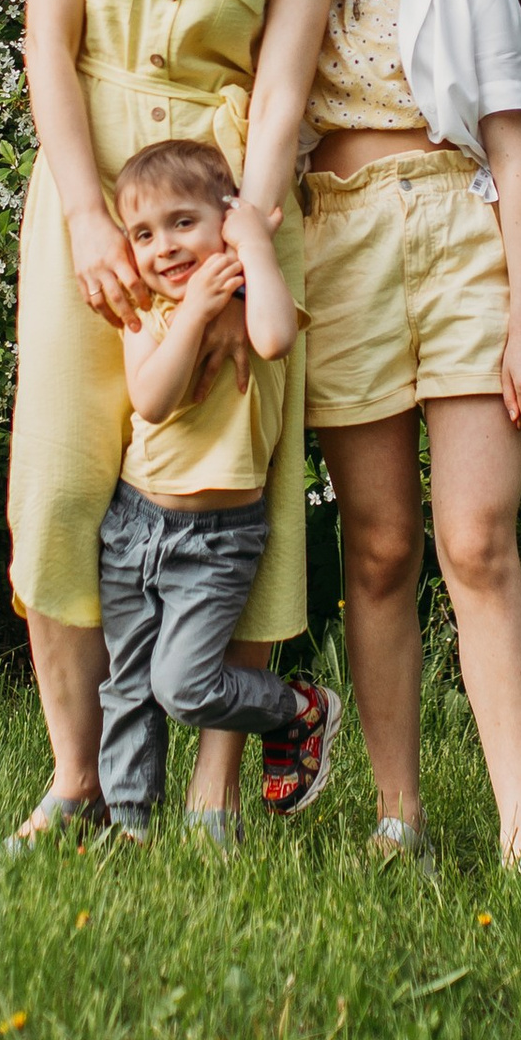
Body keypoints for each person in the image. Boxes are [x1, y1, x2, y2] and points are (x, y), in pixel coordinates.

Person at [4, 0, 361, 854]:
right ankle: (78, 783)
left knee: (229, 487)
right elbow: (47, 45)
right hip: (88, 192)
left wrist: (238, 253)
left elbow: (280, 94)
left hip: (231, 214)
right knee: (60, 487)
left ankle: (211, 795)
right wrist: (86, 216)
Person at [294, 0, 521, 883]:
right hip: (337, 248)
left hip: (459, 240)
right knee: (377, 549)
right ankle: (398, 815)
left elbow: (513, 155)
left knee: (475, 542)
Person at [95, 140, 347, 836]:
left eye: (184, 223)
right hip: (134, 522)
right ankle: (128, 822)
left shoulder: (252, 300)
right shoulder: (144, 312)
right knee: (126, 685)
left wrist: (250, 253)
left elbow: (273, 338)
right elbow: (151, 399)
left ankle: (296, 709)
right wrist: (194, 316)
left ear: (225, 222)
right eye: (144, 233)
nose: (164, 247)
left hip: (216, 542)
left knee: (184, 687)